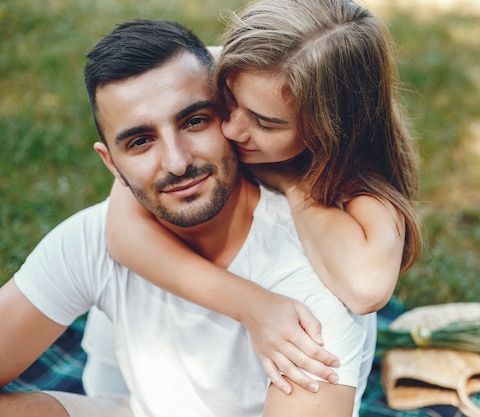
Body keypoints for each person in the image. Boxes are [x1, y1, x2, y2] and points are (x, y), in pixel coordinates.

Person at [0, 18, 369, 417]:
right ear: (112, 165)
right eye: (141, 141)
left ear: (232, 118)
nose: (177, 162)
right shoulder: (94, 237)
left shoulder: (311, 284)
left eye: (194, 121)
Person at [103, 0, 422, 397]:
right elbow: (120, 232)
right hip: (140, 335)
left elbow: (366, 288)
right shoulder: (235, 68)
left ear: (328, 132)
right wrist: (249, 304)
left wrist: (295, 186)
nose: (233, 130)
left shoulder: (360, 173)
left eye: (265, 123)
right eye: (227, 101)